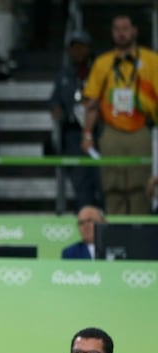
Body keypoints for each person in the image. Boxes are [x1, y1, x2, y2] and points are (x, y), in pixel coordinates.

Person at [82, 14, 158, 215]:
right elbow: (91, 103)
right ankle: (115, 237)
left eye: (125, 28)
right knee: (112, 187)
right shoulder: (102, 62)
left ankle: (140, 238)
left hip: (141, 129)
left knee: (141, 188)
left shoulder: (152, 60)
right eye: (117, 29)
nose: (121, 33)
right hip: (111, 132)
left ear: (135, 30)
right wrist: (87, 134)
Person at [50, 30, 104, 211]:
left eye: (82, 47)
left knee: (101, 180)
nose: (78, 52)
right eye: (74, 48)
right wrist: (56, 109)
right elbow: (54, 100)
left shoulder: (99, 71)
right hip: (73, 133)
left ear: (89, 49)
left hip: (98, 133)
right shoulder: (64, 75)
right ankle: (85, 220)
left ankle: (104, 222)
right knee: (80, 184)